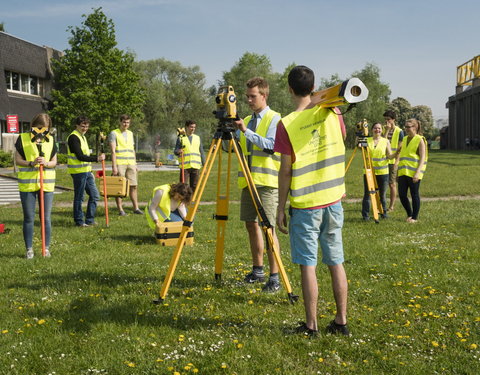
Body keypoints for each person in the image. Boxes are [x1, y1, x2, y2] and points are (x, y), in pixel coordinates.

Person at [275, 65, 349, 336]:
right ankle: (341, 321)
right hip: (333, 198)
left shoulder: (286, 124)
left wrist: (281, 207)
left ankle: (311, 325)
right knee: (335, 260)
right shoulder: (334, 111)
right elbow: (341, 138)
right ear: (313, 86)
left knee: (309, 265)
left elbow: (285, 170)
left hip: (306, 203)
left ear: (290, 89)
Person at [234, 77, 282, 293]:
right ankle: (258, 270)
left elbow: (271, 146)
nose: (249, 100)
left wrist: (245, 131)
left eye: (253, 96)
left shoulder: (275, 119)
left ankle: (274, 277)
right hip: (248, 181)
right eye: (247, 96)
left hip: (267, 183)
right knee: (251, 225)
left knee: (269, 229)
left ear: (264, 95)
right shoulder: (245, 119)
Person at [14, 113, 57, 258]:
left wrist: (46, 163)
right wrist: (31, 163)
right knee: (29, 218)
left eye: (44, 129)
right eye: (38, 128)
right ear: (33, 125)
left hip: (46, 185)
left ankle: (46, 248)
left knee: (46, 218)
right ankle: (29, 249)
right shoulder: (23, 138)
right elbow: (18, 160)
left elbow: (54, 162)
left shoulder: (51, 140)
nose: (41, 131)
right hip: (28, 185)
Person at [67, 116, 105, 227]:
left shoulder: (82, 137)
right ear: (77, 125)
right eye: (83, 126)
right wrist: (97, 159)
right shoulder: (73, 137)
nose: (85, 128)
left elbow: (85, 155)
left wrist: (90, 170)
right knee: (79, 197)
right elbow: (80, 156)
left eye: (87, 126)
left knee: (95, 195)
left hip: (87, 171)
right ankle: (79, 221)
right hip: (78, 172)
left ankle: (90, 219)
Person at [361, 122, 398, 221]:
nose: (377, 130)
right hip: (369, 172)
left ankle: (383, 213)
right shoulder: (366, 140)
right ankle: (365, 216)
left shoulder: (385, 141)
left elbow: (389, 156)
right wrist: (360, 134)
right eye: (375, 128)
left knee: (382, 195)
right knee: (367, 194)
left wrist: (396, 153)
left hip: (383, 172)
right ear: (372, 129)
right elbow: (359, 147)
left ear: (382, 130)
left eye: (379, 128)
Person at [109, 114, 142, 216]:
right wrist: (114, 167)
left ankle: (136, 208)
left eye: (127, 122)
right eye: (124, 122)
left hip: (131, 163)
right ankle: (120, 210)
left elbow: (132, 150)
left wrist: (135, 164)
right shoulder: (114, 133)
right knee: (119, 187)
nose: (125, 124)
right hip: (120, 164)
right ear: (120, 122)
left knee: (134, 186)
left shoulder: (130, 133)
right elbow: (113, 151)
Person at [397, 118, 427, 223]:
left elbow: (423, 157)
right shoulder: (404, 139)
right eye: (405, 127)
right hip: (402, 172)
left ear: (415, 127)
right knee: (401, 194)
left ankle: (414, 217)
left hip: (414, 172)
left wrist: (418, 172)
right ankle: (409, 214)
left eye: (409, 127)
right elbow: (401, 155)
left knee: (414, 194)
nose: (406, 129)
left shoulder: (420, 139)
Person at [174, 120, 205, 191]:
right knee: (183, 186)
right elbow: (175, 151)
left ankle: (192, 201)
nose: (193, 129)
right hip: (185, 166)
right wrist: (179, 151)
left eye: (194, 127)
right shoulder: (181, 138)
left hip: (195, 166)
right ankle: (183, 201)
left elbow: (202, 152)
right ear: (187, 127)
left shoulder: (197, 138)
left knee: (194, 186)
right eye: (191, 127)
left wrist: (204, 164)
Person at [382, 110, 404, 212]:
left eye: (388, 119)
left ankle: (391, 206)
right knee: (382, 184)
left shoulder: (399, 132)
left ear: (393, 119)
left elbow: (400, 148)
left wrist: (396, 162)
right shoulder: (382, 129)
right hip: (383, 161)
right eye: (385, 119)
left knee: (392, 184)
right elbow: (382, 143)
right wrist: (386, 131)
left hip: (393, 161)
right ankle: (381, 204)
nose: (387, 122)